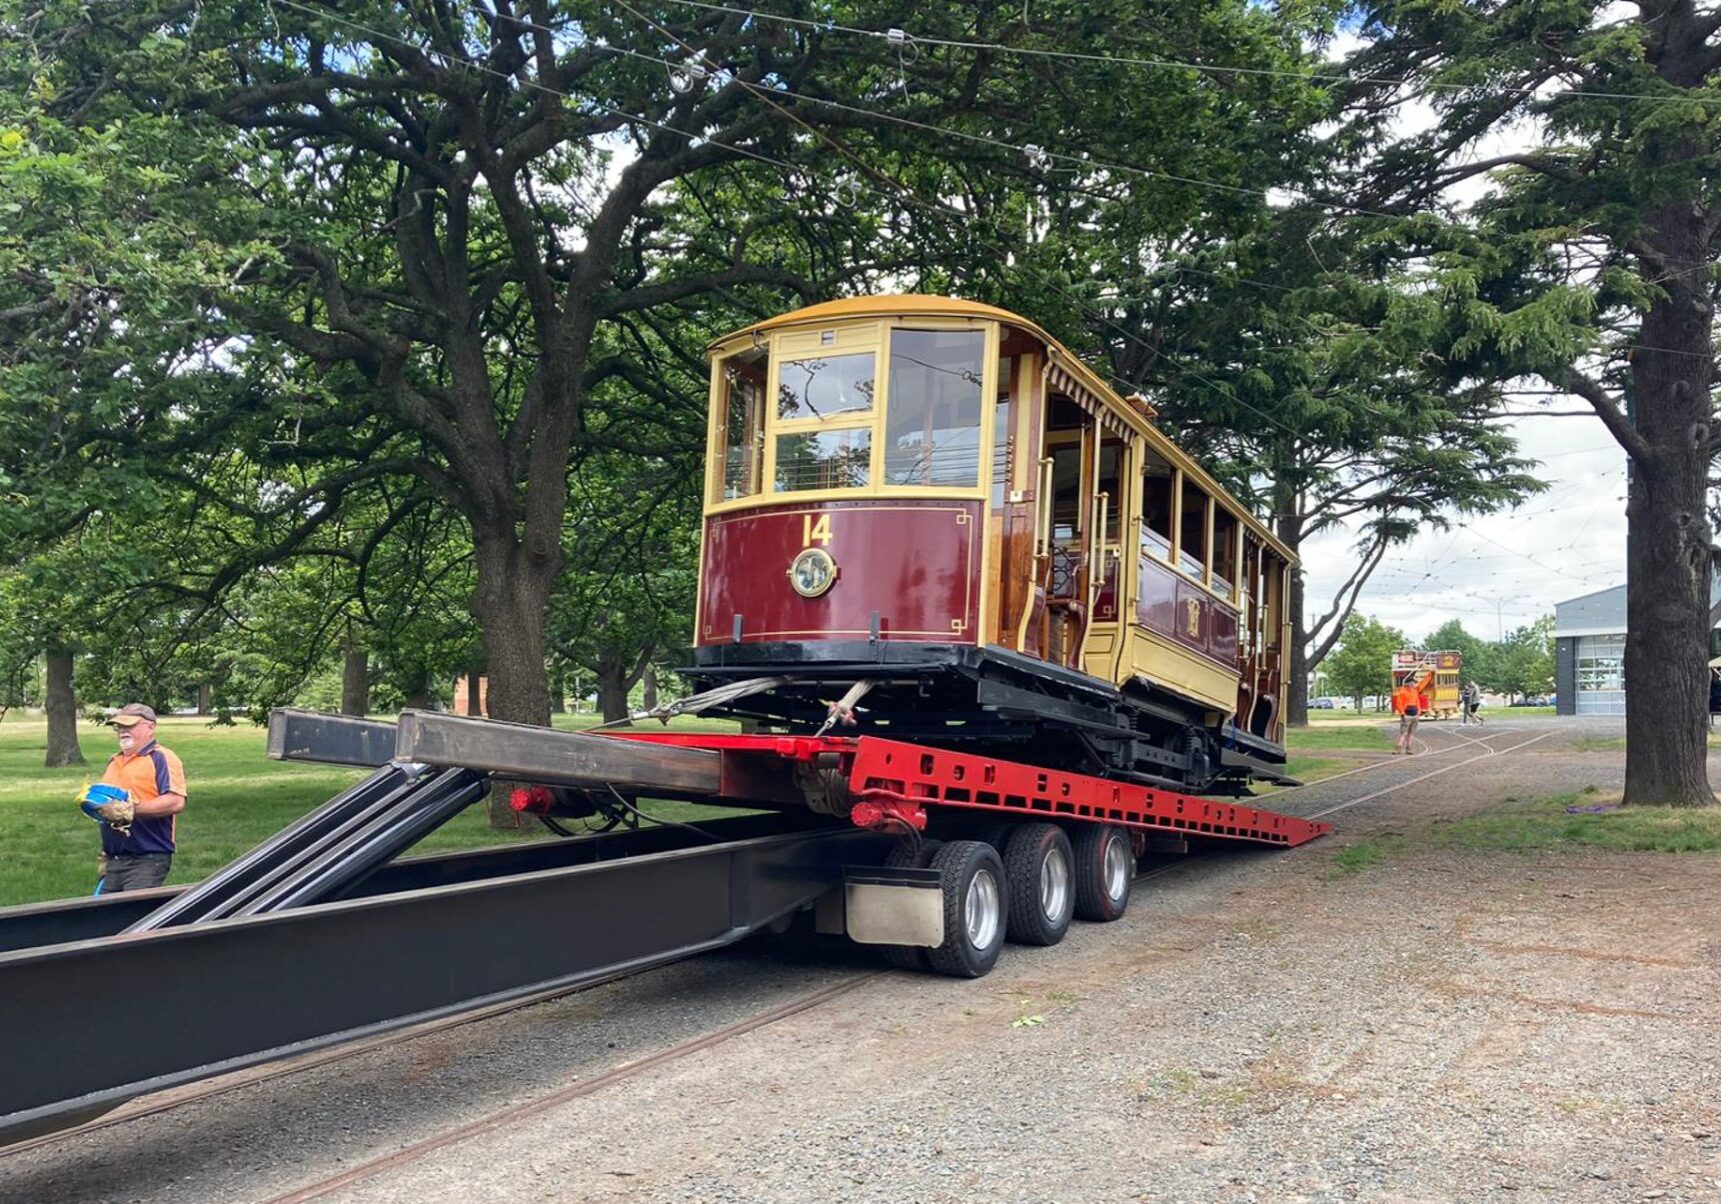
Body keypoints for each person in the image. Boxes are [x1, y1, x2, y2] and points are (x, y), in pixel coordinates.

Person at [81, 703, 187, 892]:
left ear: (150, 727)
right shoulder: (114, 761)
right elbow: (109, 807)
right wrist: (105, 853)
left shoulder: (161, 757)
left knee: (133, 916)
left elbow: (175, 801)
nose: (123, 731)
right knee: (102, 916)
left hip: (148, 859)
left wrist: (130, 809)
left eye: (129, 726)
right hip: (114, 860)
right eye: (119, 727)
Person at [1391, 677, 1423, 755]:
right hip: (1407, 715)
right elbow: (1399, 704)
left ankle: (1409, 749)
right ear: (1408, 683)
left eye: (1414, 683)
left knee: (1411, 733)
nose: (1414, 684)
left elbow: (1417, 702)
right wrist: (1402, 713)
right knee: (1404, 733)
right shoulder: (1402, 692)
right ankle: (1398, 748)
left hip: (1415, 714)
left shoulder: (1415, 692)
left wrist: (1418, 712)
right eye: (1412, 683)